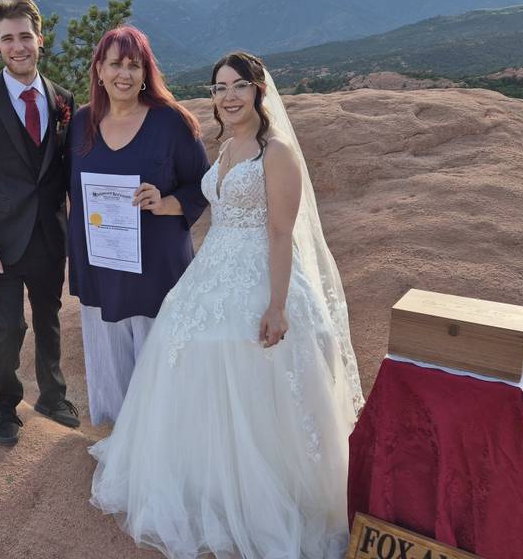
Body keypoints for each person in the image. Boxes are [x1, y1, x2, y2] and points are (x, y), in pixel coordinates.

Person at [89, 52, 365, 558]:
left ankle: (262, 496)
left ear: (259, 91)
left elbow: (281, 233)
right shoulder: (227, 144)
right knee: (186, 352)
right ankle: (206, 482)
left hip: (260, 276)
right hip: (212, 268)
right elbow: (212, 205)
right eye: (219, 88)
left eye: (239, 86)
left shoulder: (276, 153)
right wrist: (163, 202)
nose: (228, 97)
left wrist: (277, 306)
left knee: (248, 367)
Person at [0, 0, 79, 447]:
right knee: (9, 326)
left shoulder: (63, 100)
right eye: (8, 39)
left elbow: (67, 170)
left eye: (26, 36)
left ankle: (54, 397)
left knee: (48, 318)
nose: (18, 45)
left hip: (49, 234)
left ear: (40, 39)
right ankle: (5, 404)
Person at [67, 26, 210, 427]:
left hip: (157, 269)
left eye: (134, 65)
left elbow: (203, 184)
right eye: (115, 64)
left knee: (161, 364)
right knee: (109, 361)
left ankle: (162, 446)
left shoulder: (172, 123)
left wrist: (166, 203)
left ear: (146, 72)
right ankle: (116, 438)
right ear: (98, 70)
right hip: (102, 266)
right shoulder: (81, 125)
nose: (123, 74)